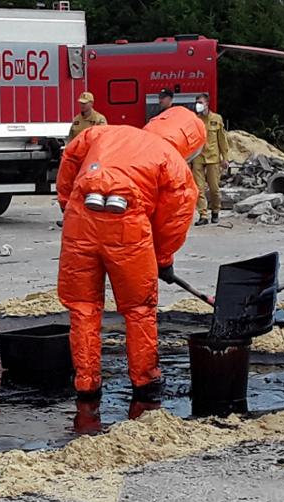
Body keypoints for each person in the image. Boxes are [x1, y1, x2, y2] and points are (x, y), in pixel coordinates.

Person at [56, 107, 204, 400]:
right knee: (138, 309)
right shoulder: (172, 161)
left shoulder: (104, 132)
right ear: (190, 143)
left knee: (83, 306)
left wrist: (67, 201)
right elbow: (173, 221)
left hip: (80, 221)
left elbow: (71, 155)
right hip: (128, 230)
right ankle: (144, 380)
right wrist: (163, 259)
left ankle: (86, 382)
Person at [190, 92, 230, 226]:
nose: (198, 106)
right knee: (199, 188)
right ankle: (203, 215)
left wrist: (225, 158)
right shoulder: (195, 120)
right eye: (197, 103)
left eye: (200, 103)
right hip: (198, 157)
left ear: (207, 104)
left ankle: (215, 211)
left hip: (213, 158)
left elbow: (222, 140)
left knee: (214, 188)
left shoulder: (216, 119)